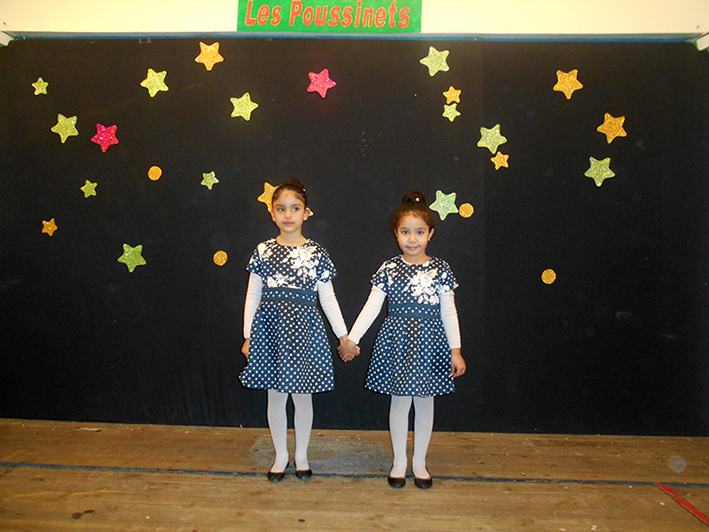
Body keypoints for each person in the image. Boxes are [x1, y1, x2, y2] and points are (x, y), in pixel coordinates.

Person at [338, 189, 466, 489]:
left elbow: (449, 311)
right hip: (397, 344)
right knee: (399, 402)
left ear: (430, 234)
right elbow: (372, 307)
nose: (412, 239)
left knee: (425, 402)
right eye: (405, 232)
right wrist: (352, 339)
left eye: (419, 232)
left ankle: (419, 461)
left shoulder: (441, 269)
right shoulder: (389, 269)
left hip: (430, 345)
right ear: (396, 234)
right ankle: (399, 460)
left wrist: (455, 350)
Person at [240, 178, 349, 482]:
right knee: (275, 396)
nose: (288, 215)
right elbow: (253, 295)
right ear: (272, 213)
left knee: (302, 396)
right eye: (281, 209)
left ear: (306, 213)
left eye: (295, 208)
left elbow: (328, 298)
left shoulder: (316, 253)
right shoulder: (263, 251)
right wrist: (248, 336)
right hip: (271, 333)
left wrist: (343, 335)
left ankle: (301, 455)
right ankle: (281, 456)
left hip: (304, 334)